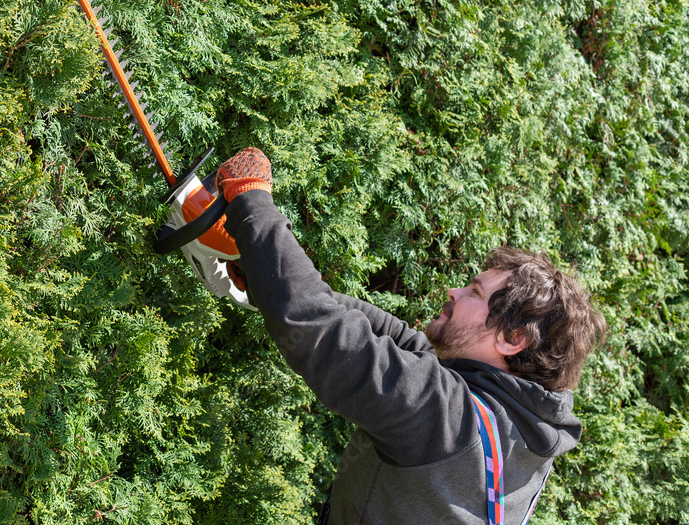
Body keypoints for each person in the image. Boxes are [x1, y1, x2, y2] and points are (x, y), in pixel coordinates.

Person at [214, 147, 608, 524]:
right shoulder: (525, 429)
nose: (454, 293)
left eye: (474, 293)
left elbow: (323, 332)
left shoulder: (447, 421)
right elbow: (402, 343)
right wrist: (266, 279)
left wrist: (250, 200)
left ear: (511, 339)